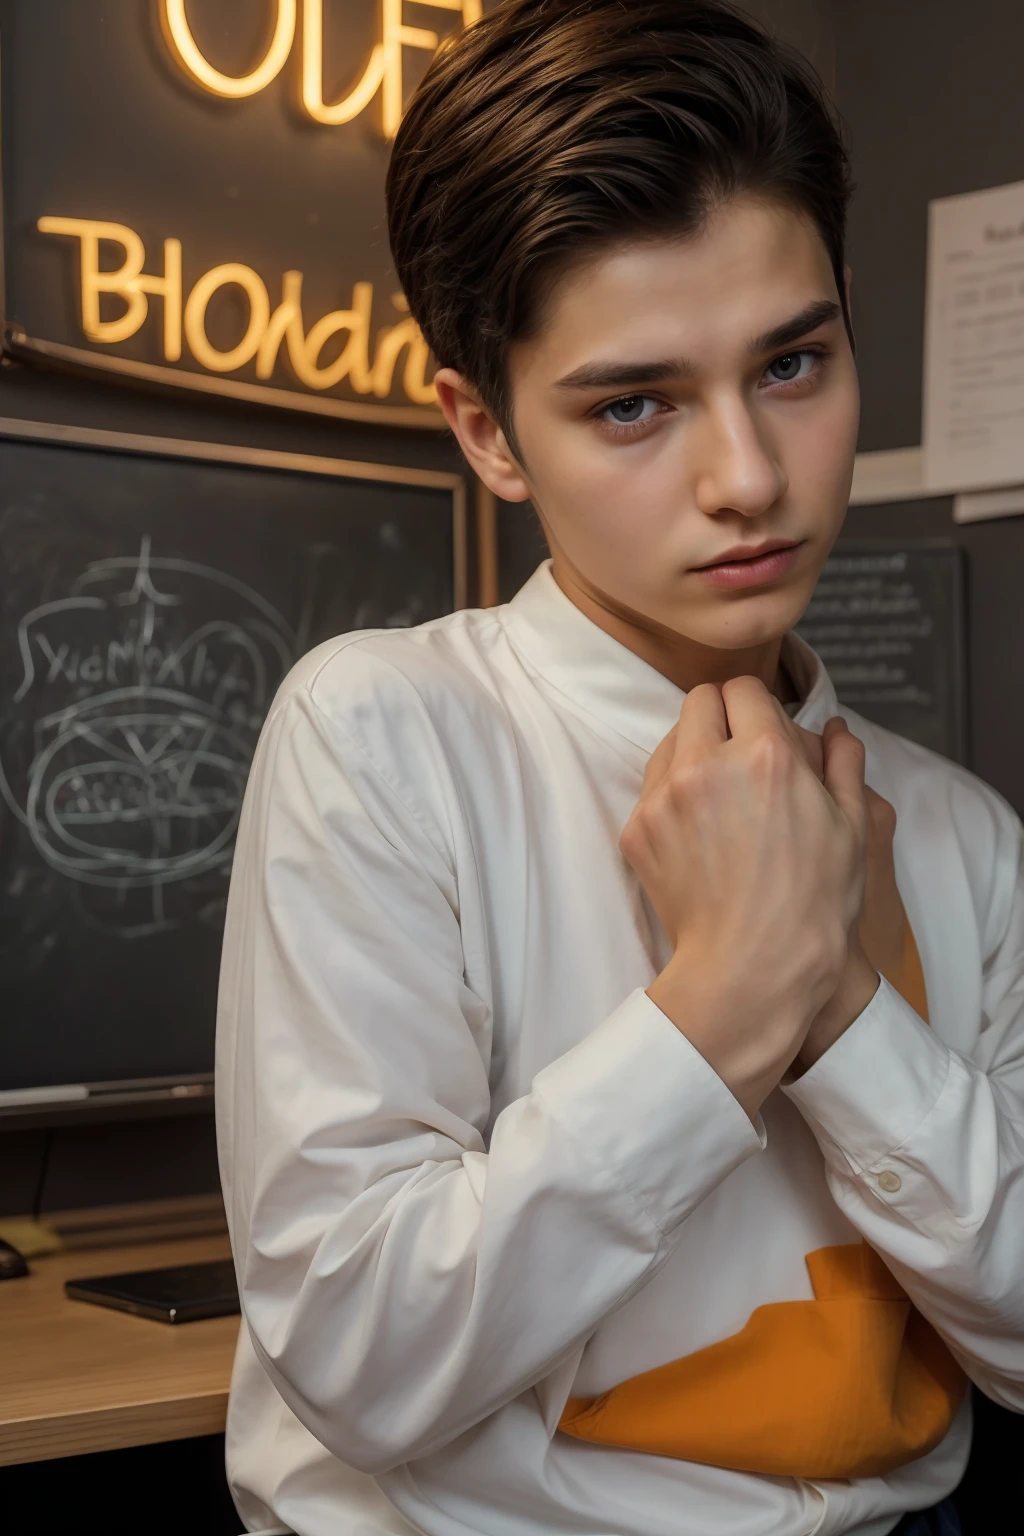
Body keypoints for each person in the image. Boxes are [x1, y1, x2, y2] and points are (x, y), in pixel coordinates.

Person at [215, 3, 1024, 1533]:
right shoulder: (383, 737)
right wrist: (727, 1002)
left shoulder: (969, 835)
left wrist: (845, 1010)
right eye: (634, 405)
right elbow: (356, 1357)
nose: (748, 477)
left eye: (792, 363)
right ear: (489, 429)